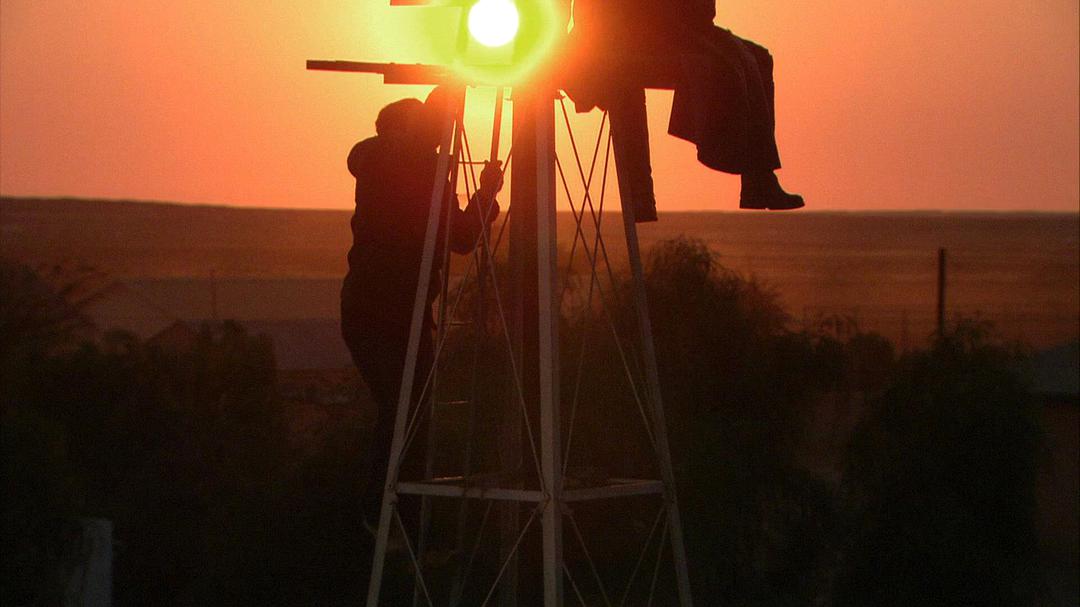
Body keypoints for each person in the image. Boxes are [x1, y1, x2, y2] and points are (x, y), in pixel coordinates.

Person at [340, 89, 504, 531]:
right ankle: (384, 509)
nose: (438, 134)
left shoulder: (414, 169)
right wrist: (484, 193)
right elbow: (463, 235)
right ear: (397, 128)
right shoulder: (392, 164)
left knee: (410, 412)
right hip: (379, 310)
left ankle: (400, 516)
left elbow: (461, 237)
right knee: (404, 408)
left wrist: (483, 196)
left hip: (401, 312)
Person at [565, 0, 803, 212]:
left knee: (757, 58)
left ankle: (759, 179)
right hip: (625, 33)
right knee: (727, 62)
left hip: (663, 27)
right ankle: (757, 178)